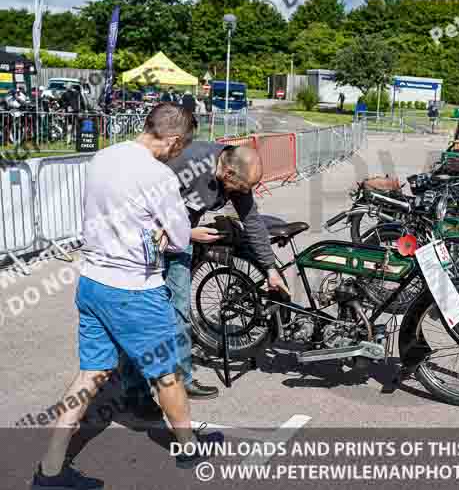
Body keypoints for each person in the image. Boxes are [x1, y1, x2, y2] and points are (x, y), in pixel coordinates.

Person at [31, 103, 218, 489]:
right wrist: (164, 232)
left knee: (92, 374)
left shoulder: (104, 156)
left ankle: (49, 469)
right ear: (174, 139)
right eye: (180, 147)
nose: (178, 153)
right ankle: (187, 448)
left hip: (92, 281)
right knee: (167, 372)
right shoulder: (158, 175)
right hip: (134, 287)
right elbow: (182, 239)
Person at [121, 138, 289, 416]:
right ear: (228, 173)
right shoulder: (186, 163)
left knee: (181, 310)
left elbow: (252, 220)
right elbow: (142, 213)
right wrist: (187, 233)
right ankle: (133, 390)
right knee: (142, 316)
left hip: (180, 238)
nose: (245, 194)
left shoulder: (235, 172)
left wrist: (270, 269)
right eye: (244, 188)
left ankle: (182, 379)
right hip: (145, 242)